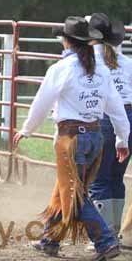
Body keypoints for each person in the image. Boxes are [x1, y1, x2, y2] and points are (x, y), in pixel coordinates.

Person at [13, 16, 130, 260]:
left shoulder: (61, 69)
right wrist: (122, 138)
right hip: (96, 137)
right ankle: (50, 240)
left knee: (74, 194)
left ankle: (105, 241)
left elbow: (41, 103)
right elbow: (116, 107)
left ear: (67, 41)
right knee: (66, 189)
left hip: (71, 139)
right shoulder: (101, 70)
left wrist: (27, 129)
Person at [87, 13, 132, 240]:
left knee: (99, 178)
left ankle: (103, 235)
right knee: (116, 177)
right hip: (129, 117)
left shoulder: (90, 61)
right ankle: (113, 232)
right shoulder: (126, 63)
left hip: (104, 117)